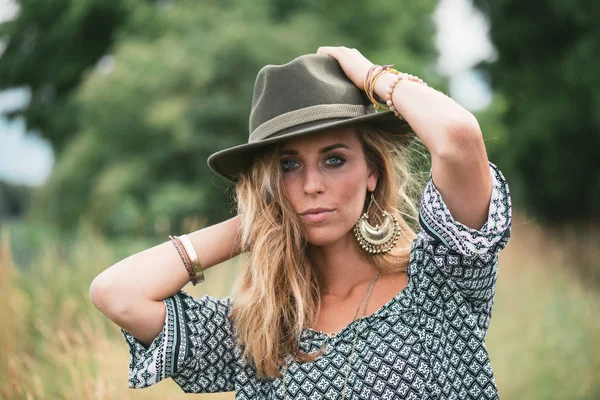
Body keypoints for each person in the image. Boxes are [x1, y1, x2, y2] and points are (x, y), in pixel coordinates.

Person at [90, 46, 511, 399]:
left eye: (334, 160)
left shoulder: (440, 282)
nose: (311, 185)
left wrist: (372, 76)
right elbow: (117, 294)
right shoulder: (261, 328)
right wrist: (263, 218)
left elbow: (456, 136)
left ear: (372, 173)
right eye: (289, 166)